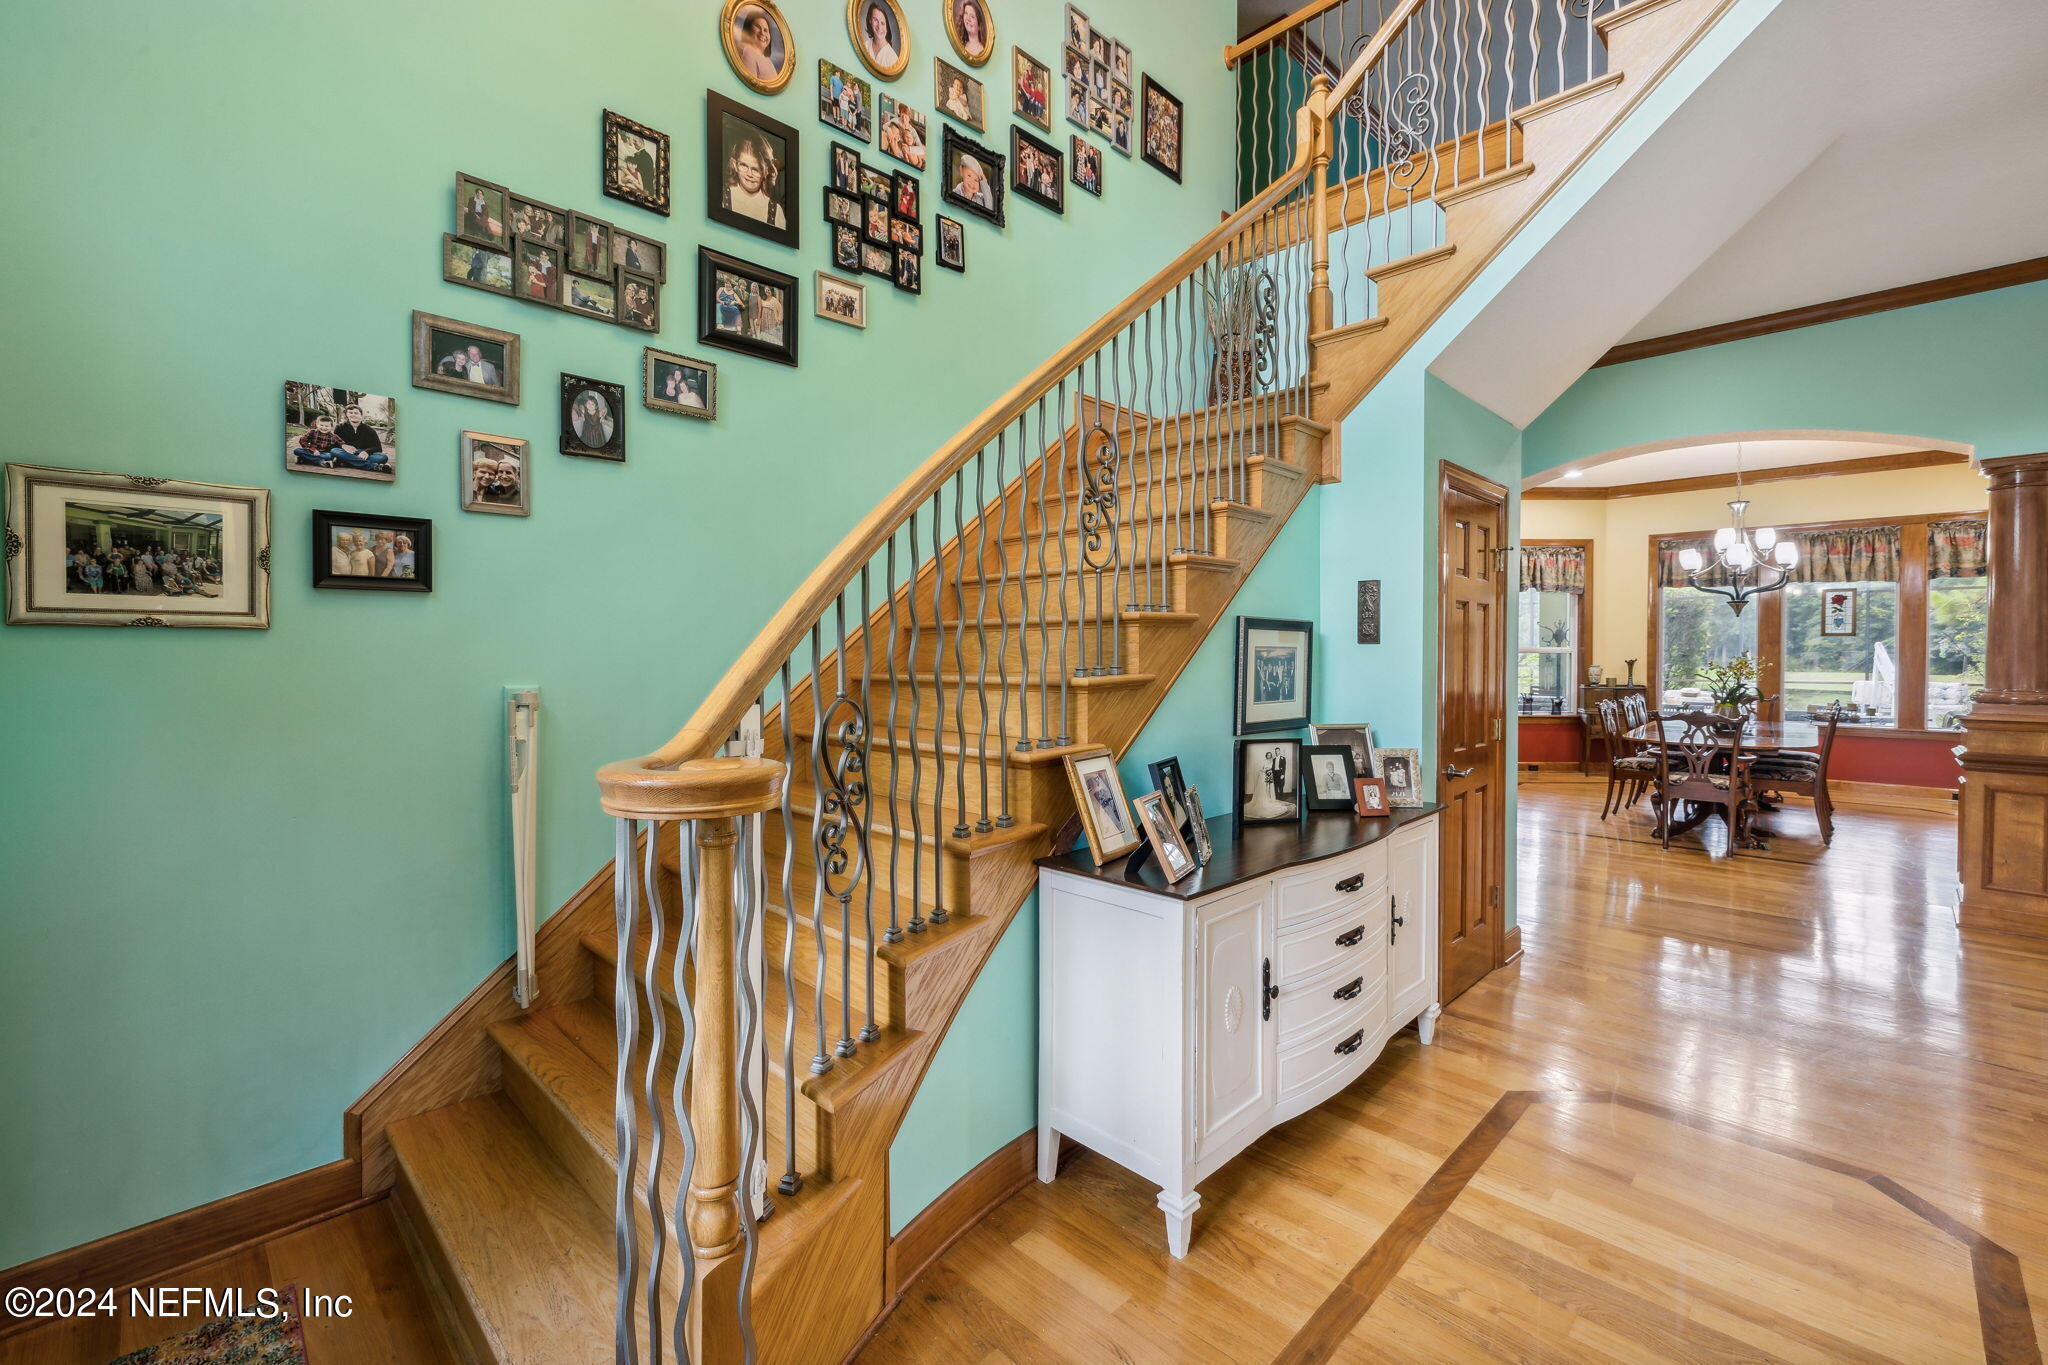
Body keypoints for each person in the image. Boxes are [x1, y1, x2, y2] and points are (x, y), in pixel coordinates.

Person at [724, 136, 784, 227]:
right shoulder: (722, 197)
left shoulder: (776, 211)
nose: (749, 174)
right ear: (734, 165)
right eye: (743, 165)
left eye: (756, 170)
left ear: (766, 172)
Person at [330, 403, 392, 474]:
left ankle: (347, 462)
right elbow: (333, 444)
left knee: (383, 457)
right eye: (350, 413)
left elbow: (378, 448)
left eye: (356, 413)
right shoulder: (340, 427)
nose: (353, 415)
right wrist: (343, 446)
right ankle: (373, 466)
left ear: (361, 415)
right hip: (346, 452)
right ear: (347, 414)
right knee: (334, 451)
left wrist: (366, 452)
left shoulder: (369, 430)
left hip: (362, 454)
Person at [737, 8, 780, 83]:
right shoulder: (747, 50)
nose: (762, 33)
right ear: (748, 29)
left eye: (766, 30)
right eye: (757, 26)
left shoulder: (768, 61)